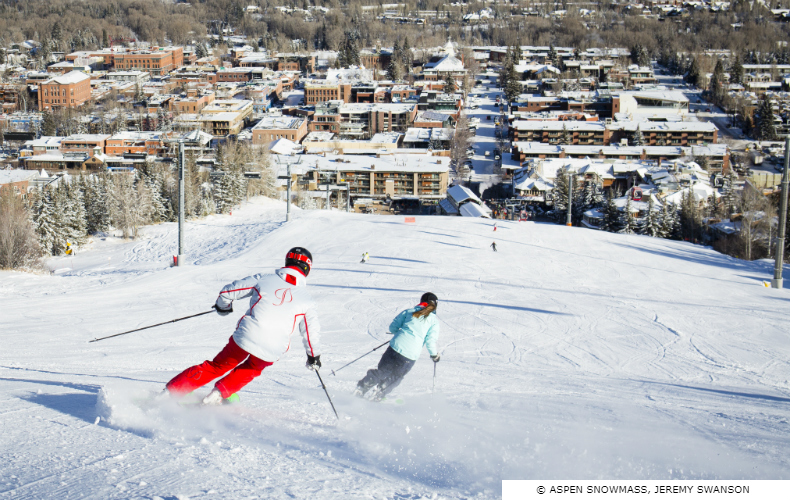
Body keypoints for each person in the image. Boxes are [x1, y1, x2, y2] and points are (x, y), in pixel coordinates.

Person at [164, 247, 321, 405]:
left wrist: (223, 308)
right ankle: (219, 394)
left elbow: (227, 293)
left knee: (218, 366)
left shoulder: (264, 278)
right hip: (274, 347)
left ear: (287, 261)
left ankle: (174, 391)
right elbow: (310, 333)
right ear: (307, 269)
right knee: (252, 368)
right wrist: (313, 357)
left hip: (248, 334)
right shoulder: (307, 301)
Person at [355, 293, 440, 401]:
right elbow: (430, 341)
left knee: (383, 371)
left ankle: (362, 387)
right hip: (409, 355)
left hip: (395, 346)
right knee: (396, 377)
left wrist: (400, 334)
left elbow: (392, 328)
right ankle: (379, 394)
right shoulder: (434, 322)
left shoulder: (409, 312)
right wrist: (434, 355)